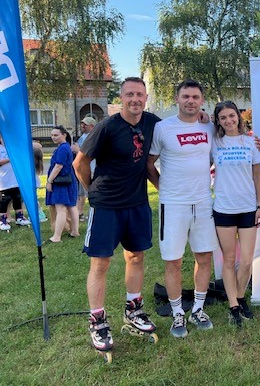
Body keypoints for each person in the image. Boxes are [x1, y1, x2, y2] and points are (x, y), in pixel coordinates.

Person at [73, 77, 164, 354]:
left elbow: (179, 127)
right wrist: (92, 191)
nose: (135, 99)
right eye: (129, 94)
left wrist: (206, 119)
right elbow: (80, 162)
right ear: (121, 98)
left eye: (140, 94)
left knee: (136, 256)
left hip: (137, 203)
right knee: (100, 263)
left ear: (146, 98)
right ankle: (98, 321)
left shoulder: (152, 122)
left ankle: (133, 309)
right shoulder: (107, 126)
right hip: (107, 205)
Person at [146, 80, 220, 339]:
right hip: (173, 204)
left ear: (202, 101)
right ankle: (178, 312)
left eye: (195, 97)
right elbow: (149, 163)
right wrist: (162, 187)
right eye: (186, 96)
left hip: (203, 201)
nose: (191, 101)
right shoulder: (163, 128)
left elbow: (228, 144)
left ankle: (198, 309)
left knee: (204, 257)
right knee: (173, 260)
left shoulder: (209, 126)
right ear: (176, 99)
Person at [212, 100, 260, 328]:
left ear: (238, 116)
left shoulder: (251, 142)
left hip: (248, 208)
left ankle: (241, 297)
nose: (228, 120)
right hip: (224, 209)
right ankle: (233, 306)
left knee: (247, 261)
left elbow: (257, 176)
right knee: (229, 259)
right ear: (218, 121)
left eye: (231, 116)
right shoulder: (214, 142)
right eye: (223, 117)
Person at [45, 126, 79, 242]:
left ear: (64, 135)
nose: (53, 137)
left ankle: (57, 236)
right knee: (71, 206)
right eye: (52, 135)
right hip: (68, 180)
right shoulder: (65, 147)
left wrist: (49, 181)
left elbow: (58, 166)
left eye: (56, 135)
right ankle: (75, 231)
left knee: (61, 208)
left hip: (61, 182)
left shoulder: (63, 148)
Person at [0, 136, 31, 231]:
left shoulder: (15, 147)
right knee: (5, 200)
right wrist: (10, 158)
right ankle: (3, 220)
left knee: (17, 198)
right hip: (5, 181)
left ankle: (19, 217)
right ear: (0, 138)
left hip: (17, 179)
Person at [73, 116, 96, 220]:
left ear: (92, 126)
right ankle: (80, 212)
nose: (82, 125)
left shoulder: (93, 137)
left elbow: (87, 154)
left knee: (89, 192)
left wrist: (77, 150)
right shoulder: (84, 136)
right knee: (81, 192)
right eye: (82, 123)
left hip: (90, 169)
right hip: (82, 168)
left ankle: (90, 212)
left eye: (85, 124)